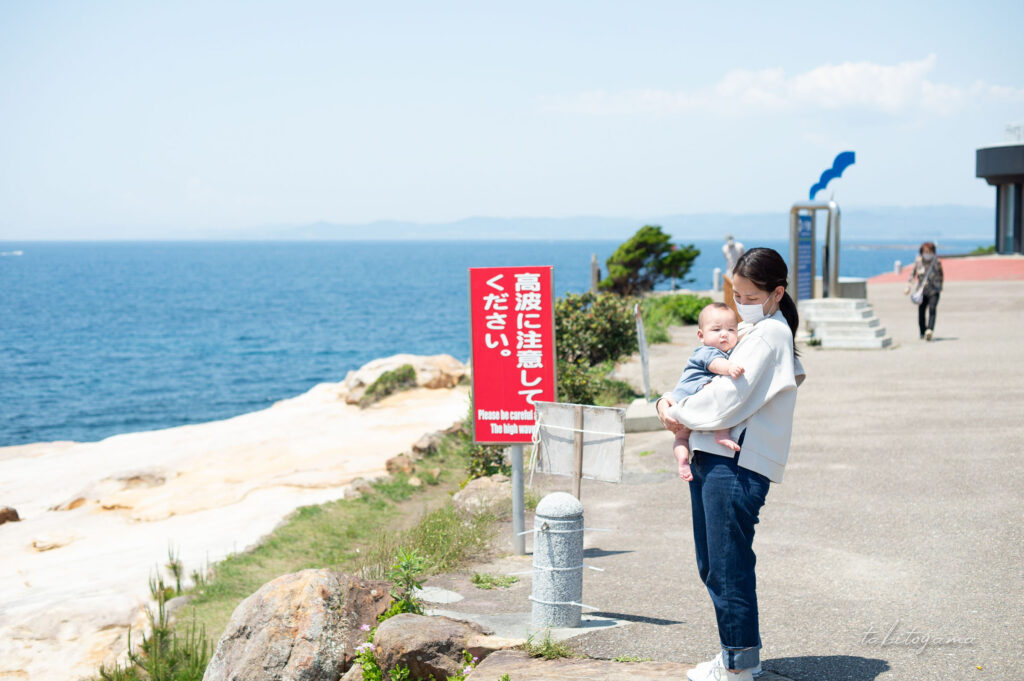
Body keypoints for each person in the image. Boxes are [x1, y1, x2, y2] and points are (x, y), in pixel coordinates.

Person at [656, 247, 804, 681]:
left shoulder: (769, 335)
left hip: (734, 464)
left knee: (726, 565)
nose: (740, 304)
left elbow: (727, 401)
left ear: (776, 293)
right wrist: (673, 404)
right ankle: (734, 656)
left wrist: (672, 408)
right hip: (717, 459)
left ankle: (740, 666)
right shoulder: (758, 330)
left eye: (749, 295)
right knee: (715, 563)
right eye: (735, 294)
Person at [669, 302, 746, 483]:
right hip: (692, 393)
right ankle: (722, 432)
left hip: (681, 401)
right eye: (717, 329)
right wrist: (730, 368)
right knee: (720, 397)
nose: (724, 334)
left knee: (681, 437)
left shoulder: (723, 349)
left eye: (731, 330)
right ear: (701, 336)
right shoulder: (706, 351)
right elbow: (715, 365)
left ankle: (682, 459)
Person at [905, 241, 944, 341]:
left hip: (934, 290)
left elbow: (941, 275)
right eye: (925, 251)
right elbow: (913, 275)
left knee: (932, 309)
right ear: (922, 252)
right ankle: (922, 331)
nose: (927, 254)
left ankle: (929, 330)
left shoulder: (936, 262)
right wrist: (908, 287)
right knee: (921, 312)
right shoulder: (918, 262)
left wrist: (939, 286)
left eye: (929, 251)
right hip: (921, 291)